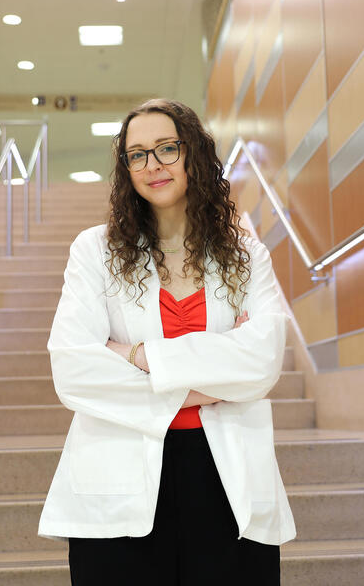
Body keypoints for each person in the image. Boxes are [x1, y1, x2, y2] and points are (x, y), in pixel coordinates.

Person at [38, 98, 295, 585]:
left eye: (166, 148)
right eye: (137, 154)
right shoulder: (94, 250)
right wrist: (214, 376)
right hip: (120, 477)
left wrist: (136, 356)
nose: (152, 165)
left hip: (225, 477)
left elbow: (262, 359)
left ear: (193, 154)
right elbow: (73, 370)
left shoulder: (242, 251)